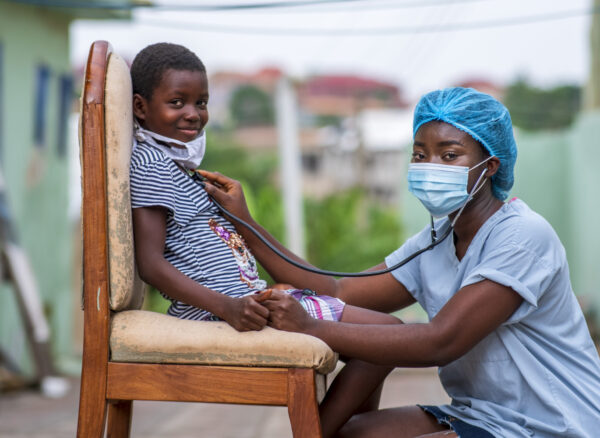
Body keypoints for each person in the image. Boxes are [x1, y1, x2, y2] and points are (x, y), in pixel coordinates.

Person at [200, 87, 600, 438]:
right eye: (421, 155)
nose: (431, 167)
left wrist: (309, 325)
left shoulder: (522, 237)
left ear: (490, 166)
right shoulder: (437, 240)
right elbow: (338, 288)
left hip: (553, 424)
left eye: (450, 155)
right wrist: (244, 222)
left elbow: (441, 341)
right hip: (480, 416)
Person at [128, 42, 401, 435]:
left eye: (201, 102)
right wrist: (228, 307)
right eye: (177, 102)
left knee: (383, 336)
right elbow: (151, 265)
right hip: (220, 311)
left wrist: (243, 228)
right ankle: (324, 432)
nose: (193, 113)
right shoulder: (153, 166)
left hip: (251, 301)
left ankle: (334, 430)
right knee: (387, 336)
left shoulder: (180, 167)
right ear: (140, 108)